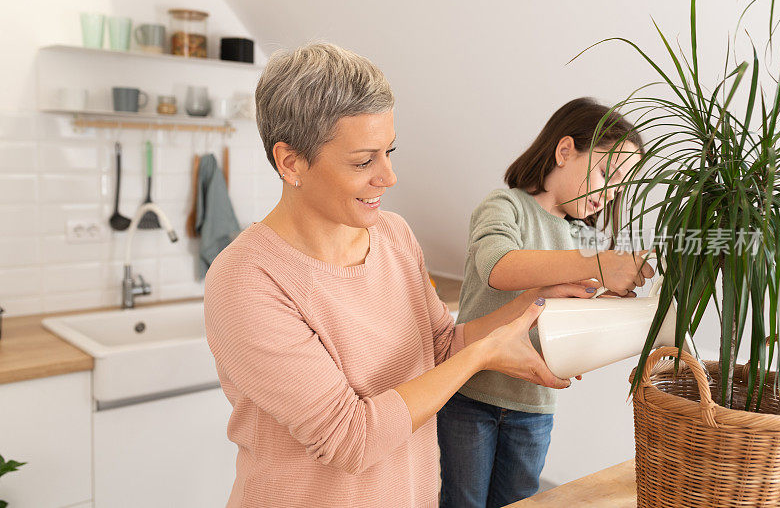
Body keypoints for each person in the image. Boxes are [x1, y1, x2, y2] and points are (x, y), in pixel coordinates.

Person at [204, 43, 595, 508]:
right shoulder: (247, 279)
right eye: (363, 161)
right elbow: (351, 439)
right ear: (291, 162)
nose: (388, 176)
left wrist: (536, 299)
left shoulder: (392, 234)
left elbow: (440, 347)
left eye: (389, 151)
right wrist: (482, 357)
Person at [437, 97, 654, 508]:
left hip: (534, 406)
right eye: (607, 173)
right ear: (564, 150)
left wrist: (602, 304)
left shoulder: (582, 238)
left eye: (621, 187)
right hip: (471, 395)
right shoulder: (505, 206)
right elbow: (496, 266)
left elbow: (568, 312)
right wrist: (595, 264)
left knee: (520, 500)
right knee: (463, 500)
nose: (610, 194)